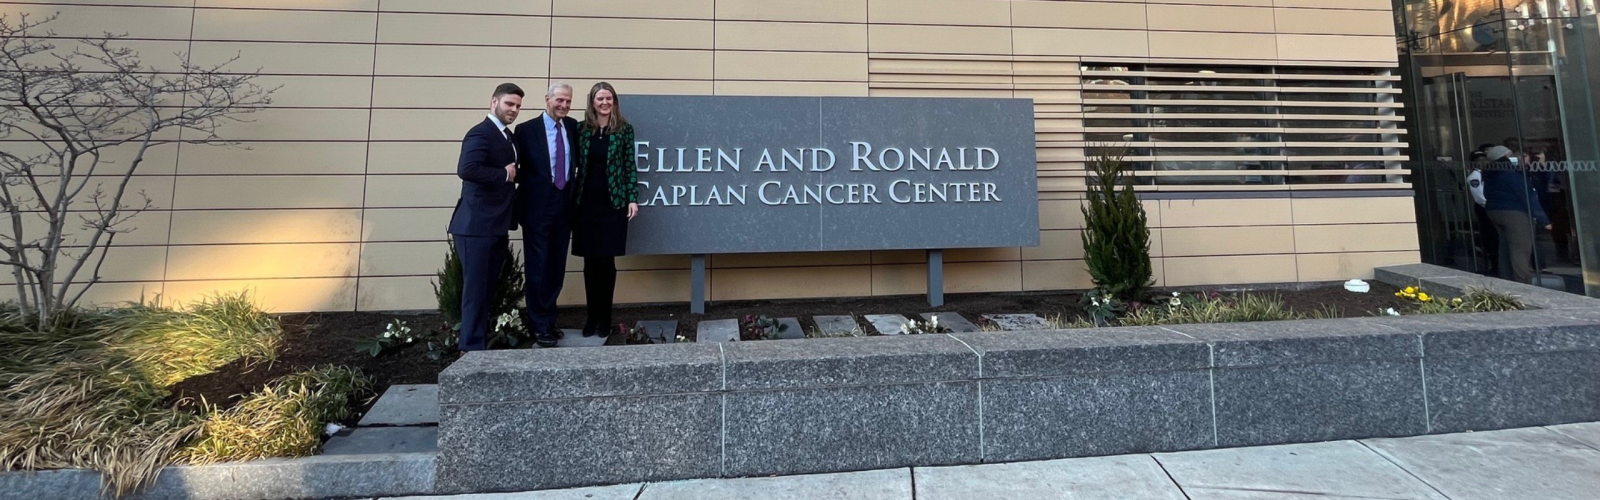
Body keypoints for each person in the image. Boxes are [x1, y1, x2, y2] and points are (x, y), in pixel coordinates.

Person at [447, 83, 523, 352]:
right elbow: (467, 169)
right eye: (509, 104)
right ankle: (471, 350)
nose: (513, 110)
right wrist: (504, 174)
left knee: (487, 290)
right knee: (475, 292)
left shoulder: (507, 136)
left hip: (496, 225)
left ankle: (478, 345)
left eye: (518, 106)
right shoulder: (480, 132)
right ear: (494, 102)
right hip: (475, 226)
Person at [570, 82, 639, 337]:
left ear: (614, 101)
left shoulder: (624, 129)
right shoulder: (581, 129)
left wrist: (632, 197)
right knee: (590, 264)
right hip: (585, 204)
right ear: (592, 101)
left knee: (607, 263)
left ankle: (605, 320)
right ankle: (591, 318)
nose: (604, 103)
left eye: (609, 98)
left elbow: (629, 165)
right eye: (600, 98)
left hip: (613, 203)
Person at [513, 83, 579, 348]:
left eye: (568, 101)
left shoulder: (572, 127)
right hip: (537, 207)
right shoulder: (526, 130)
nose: (564, 105)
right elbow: (517, 166)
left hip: (564, 204)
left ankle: (549, 319)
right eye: (559, 100)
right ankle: (538, 324)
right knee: (538, 267)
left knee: (556, 266)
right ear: (547, 99)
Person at [1481, 145, 1550, 284]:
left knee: (1505, 249)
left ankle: (1507, 282)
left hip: (1494, 211)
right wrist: (1544, 219)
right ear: (1505, 157)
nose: (1515, 158)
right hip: (1515, 213)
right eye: (1511, 155)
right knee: (1520, 250)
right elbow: (1527, 196)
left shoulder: (1490, 173)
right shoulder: (1510, 173)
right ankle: (1523, 283)